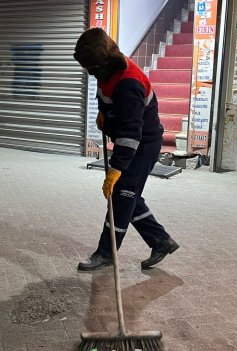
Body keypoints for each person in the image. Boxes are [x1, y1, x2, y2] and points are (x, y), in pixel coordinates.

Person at [73, 28, 179, 271]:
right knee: (128, 195)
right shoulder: (106, 71)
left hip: (142, 145)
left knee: (122, 196)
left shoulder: (128, 82)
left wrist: (116, 168)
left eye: (91, 69)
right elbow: (107, 96)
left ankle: (106, 253)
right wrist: (105, 113)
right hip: (130, 140)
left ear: (102, 64)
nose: (90, 74)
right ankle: (161, 241)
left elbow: (131, 135)